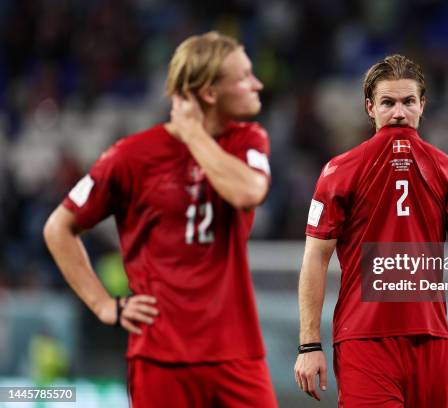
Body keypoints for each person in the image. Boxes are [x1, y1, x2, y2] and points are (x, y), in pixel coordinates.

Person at [44, 31, 277, 408]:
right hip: (160, 356)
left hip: (236, 351)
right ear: (210, 93)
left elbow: (248, 192)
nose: (258, 83)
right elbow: (58, 227)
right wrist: (105, 304)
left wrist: (193, 136)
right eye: (244, 76)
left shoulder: (248, 140)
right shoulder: (131, 157)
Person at [294, 55, 448, 407]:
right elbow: (315, 257)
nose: (399, 113)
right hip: (364, 341)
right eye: (388, 103)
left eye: (408, 102)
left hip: (431, 340)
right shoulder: (339, 172)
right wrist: (309, 344)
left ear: (422, 105)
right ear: (370, 108)